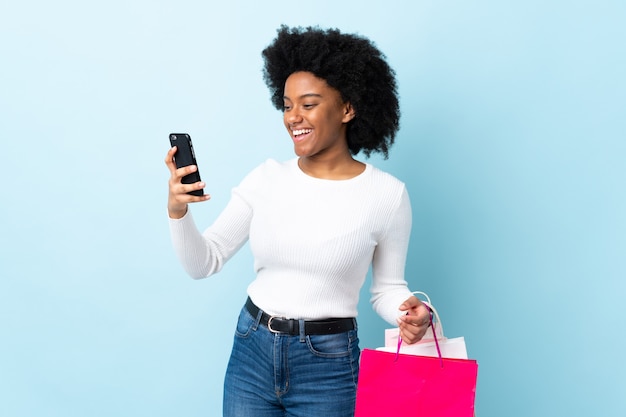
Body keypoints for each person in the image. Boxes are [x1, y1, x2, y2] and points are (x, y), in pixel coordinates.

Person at [165, 25, 431, 417]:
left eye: (308, 103)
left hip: (328, 364)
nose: (293, 117)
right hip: (251, 351)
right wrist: (178, 211)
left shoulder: (387, 195)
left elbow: (387, 289)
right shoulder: (266, 178)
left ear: (347, 108)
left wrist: (408, 312)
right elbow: (203, 262)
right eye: (287, 105)